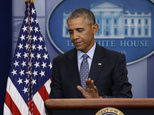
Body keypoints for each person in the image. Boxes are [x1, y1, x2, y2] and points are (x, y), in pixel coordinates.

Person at [50, 8, 132, 98]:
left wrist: (99, 100)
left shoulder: (115, 59)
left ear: (94, 29)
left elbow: (124, 97)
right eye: (71, 32)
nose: (74, 37)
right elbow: (55, 102)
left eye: (80, 30)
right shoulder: (60, 62)